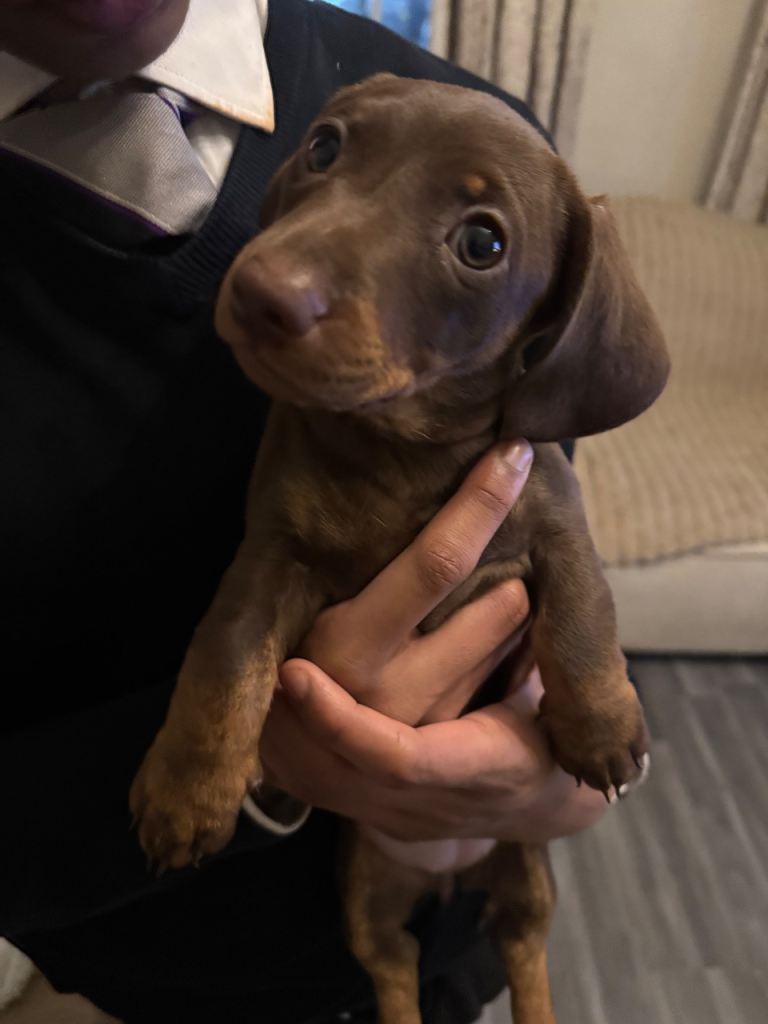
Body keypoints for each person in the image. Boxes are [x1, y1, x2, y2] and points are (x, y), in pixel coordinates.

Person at [0, 1, 610, 1021]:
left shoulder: (471, 128)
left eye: (478, 243)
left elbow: (548, 552)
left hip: (452, 951)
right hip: (133, 981)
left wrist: (568, 767)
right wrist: (274, 754)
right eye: (323, 155)